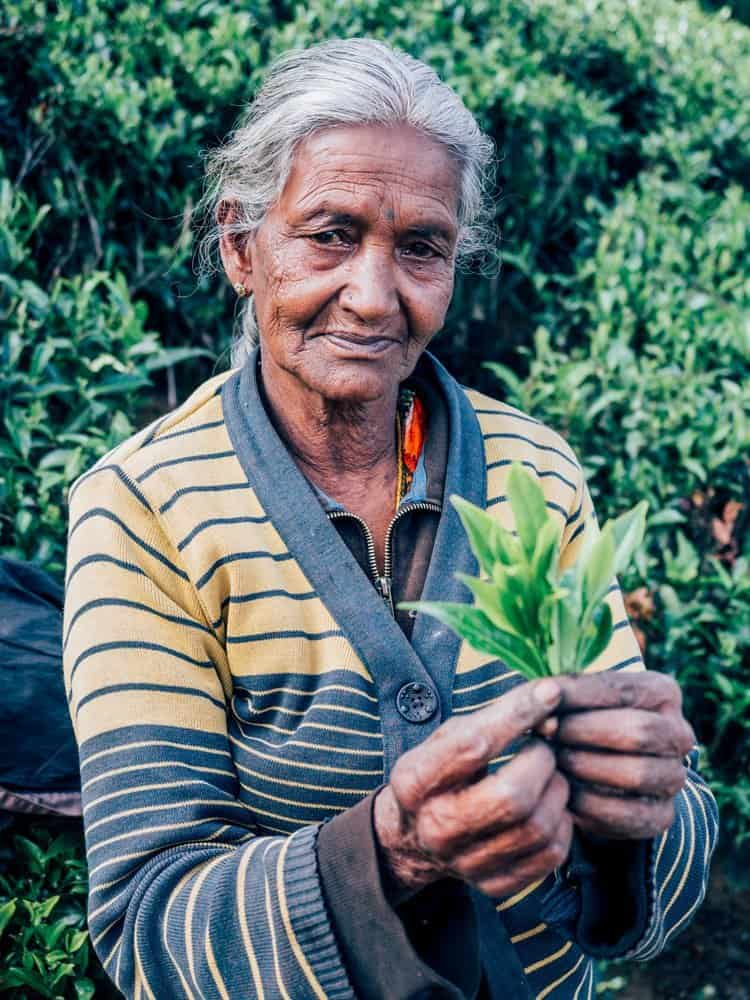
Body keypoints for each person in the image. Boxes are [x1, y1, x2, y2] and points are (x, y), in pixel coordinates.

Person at [63, 38, 717, 1000]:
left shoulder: (535, 468)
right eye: (330, 233)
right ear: (243, 247)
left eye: (421, 248)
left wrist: (645, 810)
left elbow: (665, 825)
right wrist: (392, 852)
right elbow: (149, 920)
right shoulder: (142, 508)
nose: (374, 298)